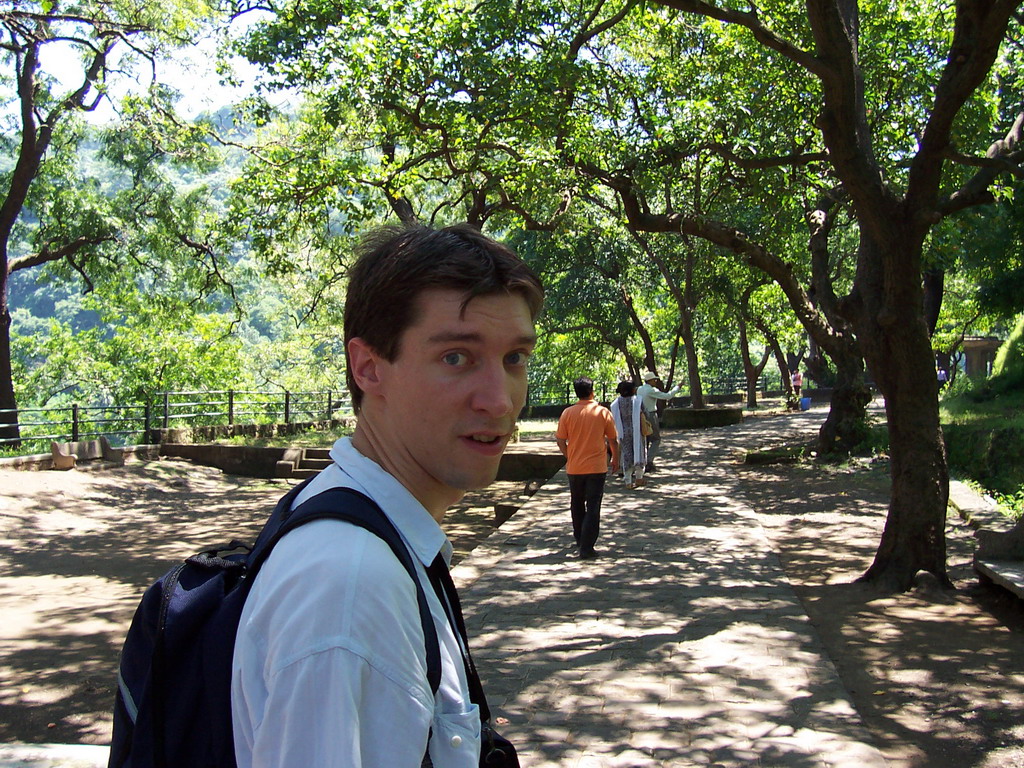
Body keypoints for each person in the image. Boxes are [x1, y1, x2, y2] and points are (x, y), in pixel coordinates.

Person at [231, 224, 543, 768]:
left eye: (514, 358)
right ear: (369, 368)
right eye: (456, 357)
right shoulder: (349, 587)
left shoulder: (377, 532)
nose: (500, 401)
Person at [555, 377, 619, 559]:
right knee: (593, 505)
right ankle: (587, 546)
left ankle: (580, 538)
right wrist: (616, 458)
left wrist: (569, 455)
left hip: (575, 467)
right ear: (592, 391)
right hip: (597, 467)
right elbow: (613, 439)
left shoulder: (567, 413)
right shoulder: (602, 412)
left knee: (576, 503)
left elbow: (560, 439)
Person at [636, 371, 680, 472]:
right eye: (654, 380)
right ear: (650, 381)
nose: (655, 381)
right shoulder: (651, 390)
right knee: (656, 439)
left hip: (641, 415)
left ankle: (642, 461)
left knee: (644, 438)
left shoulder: (640, 389)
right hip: (650, 414)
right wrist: (677, 388)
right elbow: (667, 396)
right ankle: (649, 461)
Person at [609, 379, 647, 489]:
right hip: (637, 431)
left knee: (626, 455)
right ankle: (639, 477)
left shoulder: (616, 403)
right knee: (639, 452)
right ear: (633, 390)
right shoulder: (638, 401)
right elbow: (646, 413)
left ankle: (628, 481)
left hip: (623, 433)